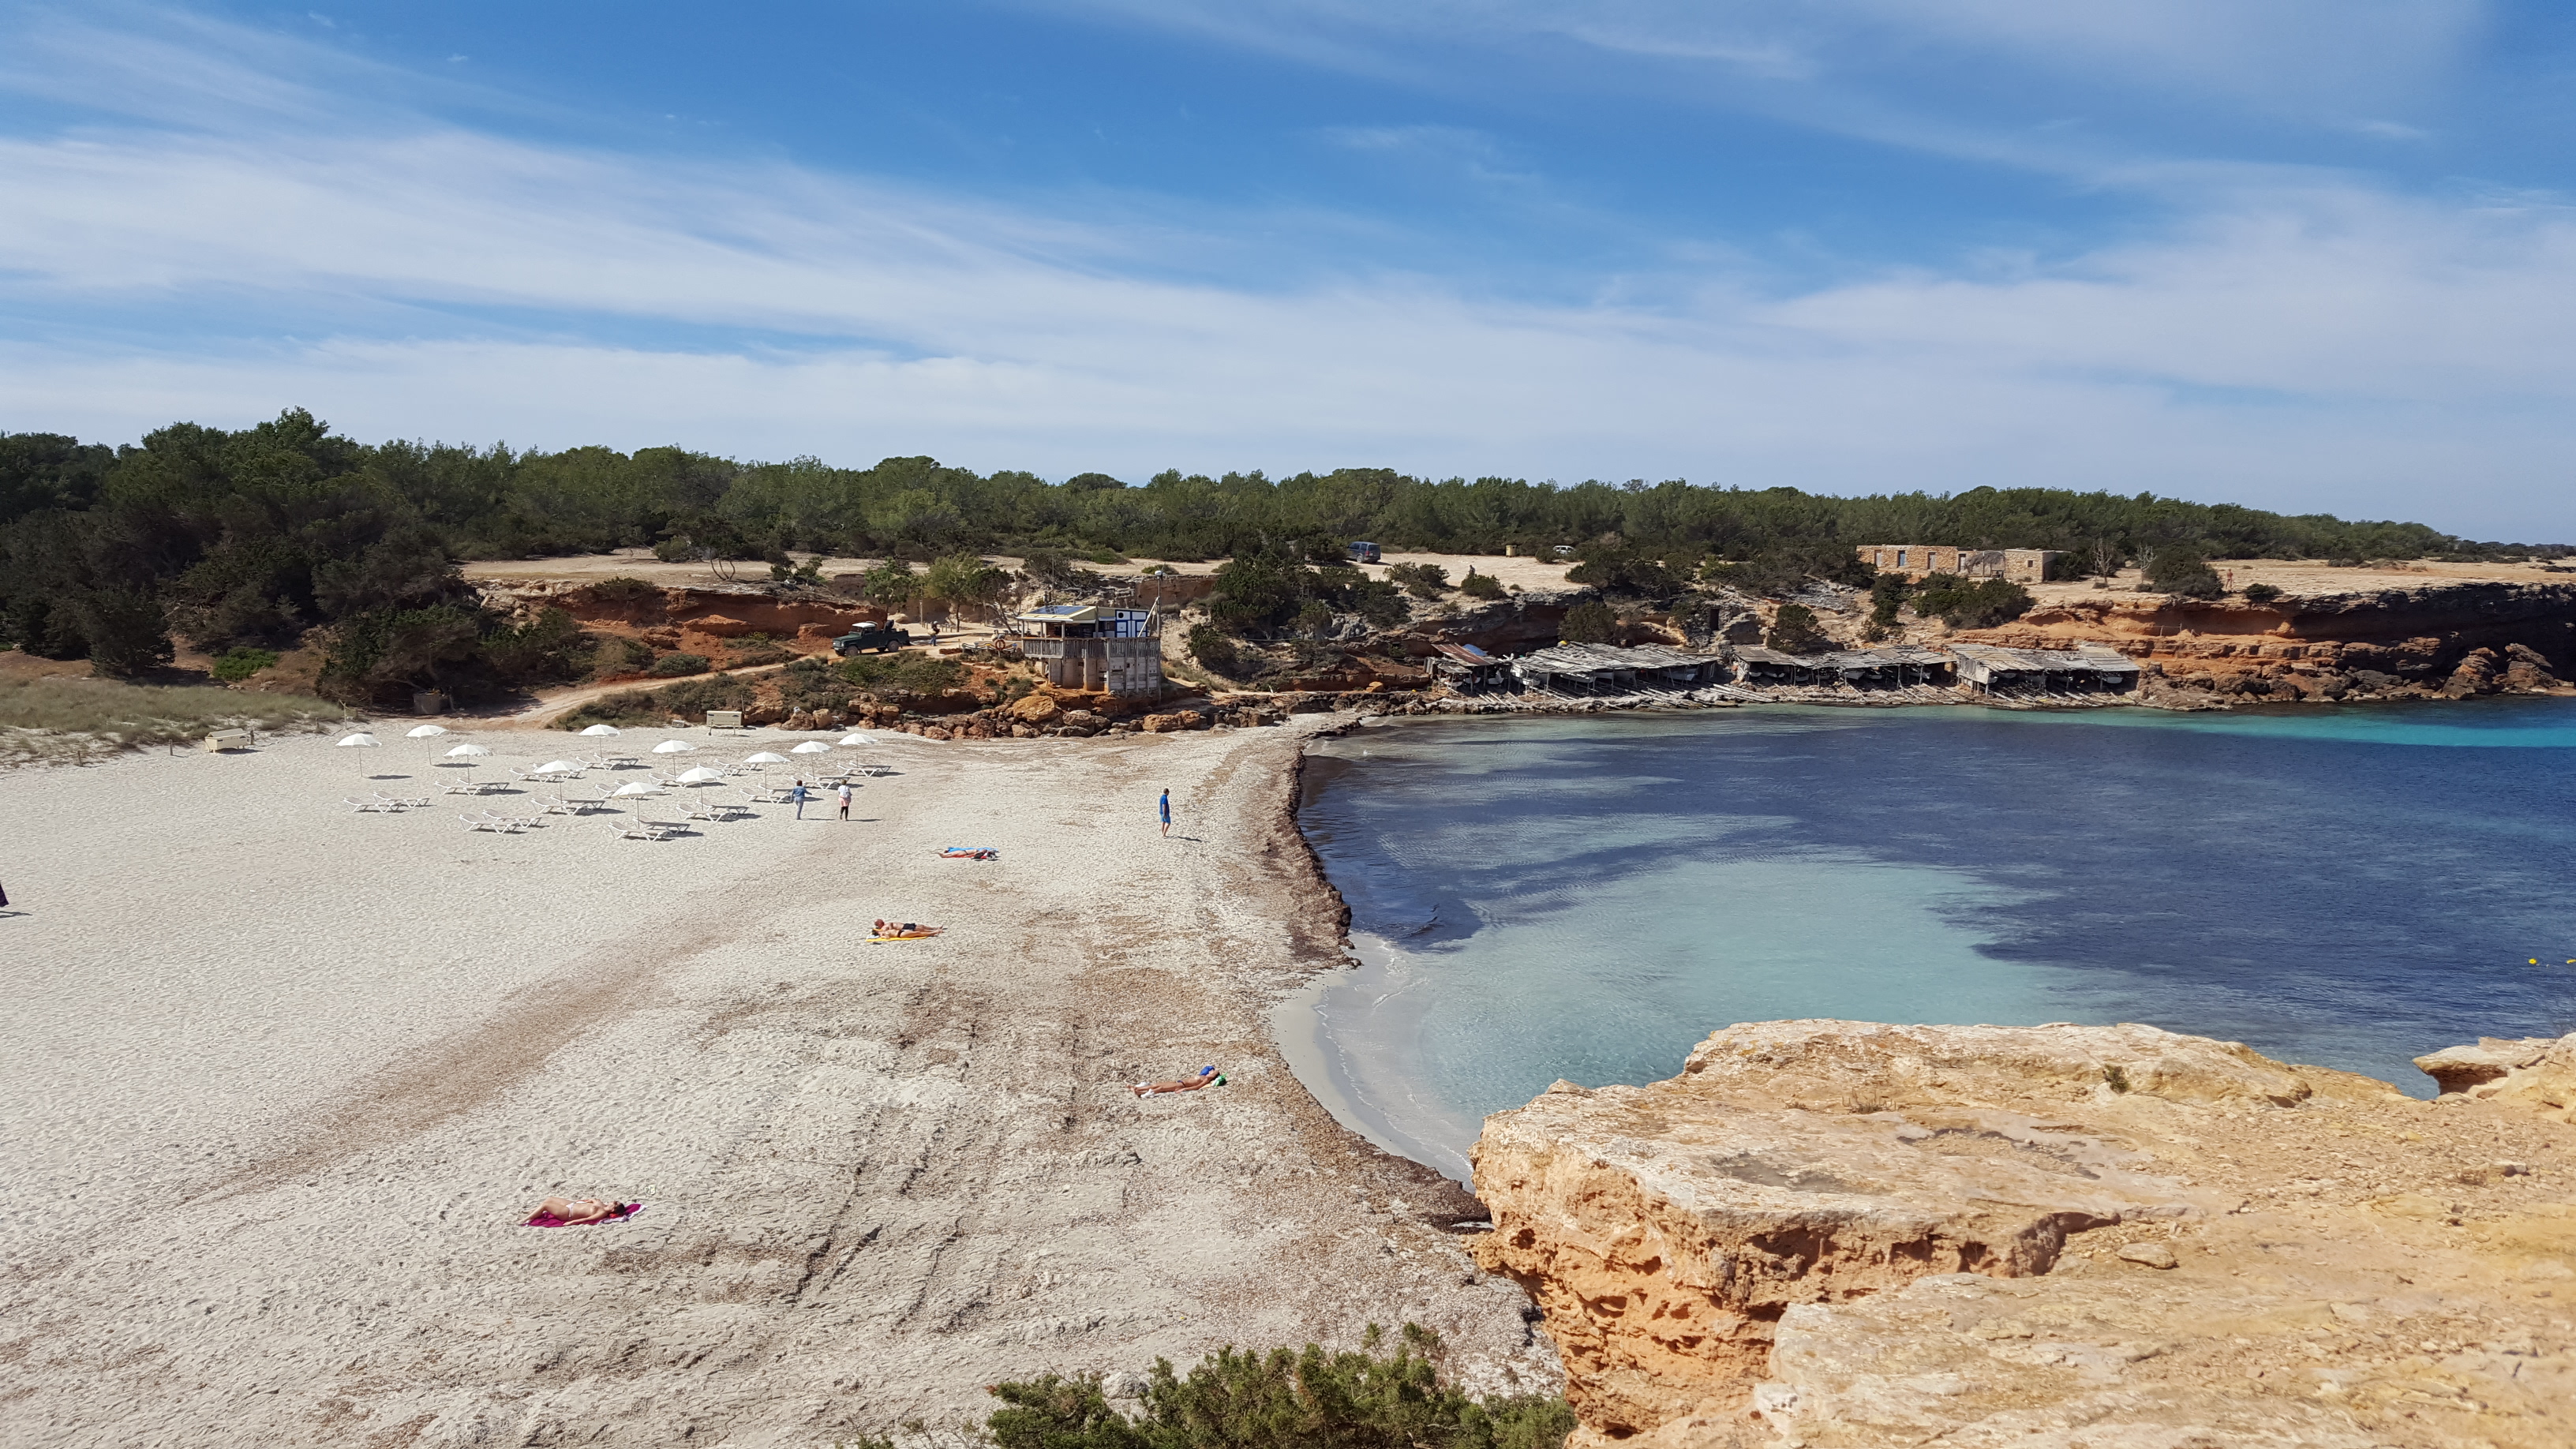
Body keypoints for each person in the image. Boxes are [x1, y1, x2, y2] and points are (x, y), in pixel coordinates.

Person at [530, 1196, 629, 1226]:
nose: (612, 1201)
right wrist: (587, 1200)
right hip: (571, 1204)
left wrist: (572, 1222)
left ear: (613, 1208)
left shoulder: (602, 1212)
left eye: (615, 1202)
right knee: (549, 1199)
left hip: (568, 1213)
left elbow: (589, 1218)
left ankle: (526, 1219)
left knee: (546, 1205)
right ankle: (533, 1211)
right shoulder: (602, 1204)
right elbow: (592, 1200)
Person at [1133, 1065, 1224, 1097]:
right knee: (1156, 1085)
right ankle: (1139, 1089)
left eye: (1213, 1073)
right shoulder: (1203, 1075)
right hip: (1178, 1082)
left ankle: (1139, 1091)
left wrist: (1184, 1090)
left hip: (1181, 1086)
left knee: (1160, 1088)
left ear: (1214, 1077)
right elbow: (1209, 1068)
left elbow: (1197, 1087)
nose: (1211, 1071)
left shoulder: (1207, 1079)